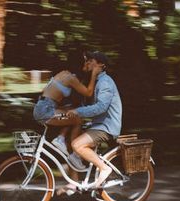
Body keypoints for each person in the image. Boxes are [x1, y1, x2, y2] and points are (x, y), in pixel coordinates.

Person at [33, 51, 103, 183]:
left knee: (72, 111)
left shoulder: (63, 74)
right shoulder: (71, 78)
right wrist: (94, 75)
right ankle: (72, 151)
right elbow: (88, 92)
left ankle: (73, 179)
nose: (86, 63)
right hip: (46, 110)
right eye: (84, 61)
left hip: (43, 106)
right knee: (77, 119)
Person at [67, 51, 122, 188]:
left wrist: (78, 111)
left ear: (101, 65)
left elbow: (101, 108)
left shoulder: (105, 82)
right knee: (71, 144)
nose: (88, 63)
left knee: (77, 145)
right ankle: (74, 184)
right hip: (99, 125)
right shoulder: (98, 81)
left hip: (107, 127)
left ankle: (104, 169)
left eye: (91, 60)